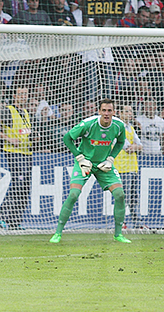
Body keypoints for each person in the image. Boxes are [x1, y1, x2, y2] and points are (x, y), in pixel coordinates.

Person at [49, 98, 131, 244]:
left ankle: (118, 234)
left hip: (103, 165)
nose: (106, 113)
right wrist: (80, 158)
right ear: (99, 111)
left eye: (109, 111)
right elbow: (67, 138)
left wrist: (111, 159)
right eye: (104, 110)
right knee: (73, 195)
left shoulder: (119, 126)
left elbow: (120, 142)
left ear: (114, 112)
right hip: (84, 163)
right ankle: (58, 233)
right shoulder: (88, 124)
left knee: (120, 195)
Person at [0, 85, 32, 230]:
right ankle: (2, 220)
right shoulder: (8, 110)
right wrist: (8, 139)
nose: (23, 96)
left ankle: (15, 222)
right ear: (15, 96)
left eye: (25, 94)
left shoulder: (25, 112)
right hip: (14, 152)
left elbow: (23, 132)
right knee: (17, 186)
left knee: (25, 188)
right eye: (20, 94)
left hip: (27, 153)